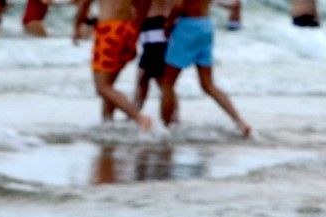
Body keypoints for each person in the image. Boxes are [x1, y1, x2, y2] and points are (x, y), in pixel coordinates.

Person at [159, 0, 252, 137]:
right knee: (208, 84)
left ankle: (165, 129)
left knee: (167, 83)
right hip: (205, 25)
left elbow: (179, 5)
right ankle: (240, 122)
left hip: (187, 27)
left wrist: (168, 23)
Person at [76, 0, 155, 129]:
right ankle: (108, 124)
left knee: (103, 87)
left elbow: (84, 3)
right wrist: (138, 24)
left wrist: (77, 26)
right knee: (109, 85)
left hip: (109, 30)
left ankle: (139, 118)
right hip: (128, 27)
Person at [134, 0, 171, 114]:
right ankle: (135, 113)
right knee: (146, 78)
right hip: (152, 29)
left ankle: (135, 114)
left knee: (149, 78)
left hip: (155, 27)